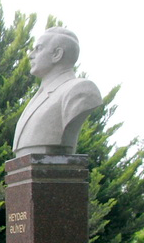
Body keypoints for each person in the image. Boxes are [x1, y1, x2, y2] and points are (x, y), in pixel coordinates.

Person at [12, 27, 102, 158]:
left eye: (38, 48)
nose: (30, 55)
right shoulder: (39, 96)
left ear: (57, 54)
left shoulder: (80, 90)